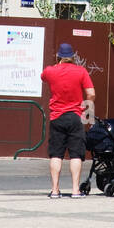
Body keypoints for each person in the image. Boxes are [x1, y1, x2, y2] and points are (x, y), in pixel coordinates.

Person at [41, 42, 95, 198]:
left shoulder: (50, 71)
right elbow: (91, 93)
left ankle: (55, 190)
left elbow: (43, 76)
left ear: (58, 56)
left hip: (56, 117)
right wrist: (87, 110)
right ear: (73, 57)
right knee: (76, 155)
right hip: (76, 117)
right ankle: (75, 190)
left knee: (56, 154)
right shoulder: (81, 71)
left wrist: (57, 65)